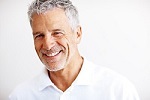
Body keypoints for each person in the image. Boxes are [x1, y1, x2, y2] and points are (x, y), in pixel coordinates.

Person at [9, 0, 140, 100]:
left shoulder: (118, 91)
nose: (48, 45)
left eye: (57, 33)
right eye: (39, 35)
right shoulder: (20, 96)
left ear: (77, 34)